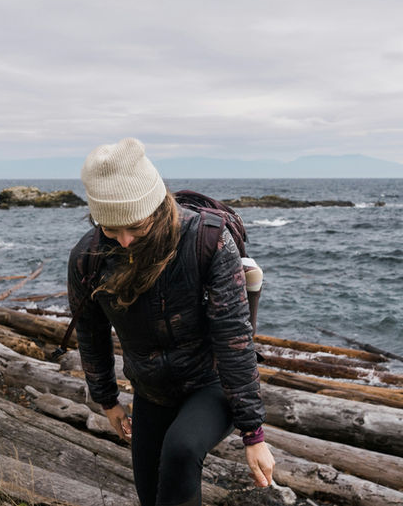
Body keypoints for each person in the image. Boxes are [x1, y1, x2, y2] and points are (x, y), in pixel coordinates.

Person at [67, 138, 275, 506]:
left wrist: (253, 433)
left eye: (135, 226)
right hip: (151, 391)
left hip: (212, 384)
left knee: (180, 451)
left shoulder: (208, 242)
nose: (125, 241)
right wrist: (107, 399)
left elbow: (234, 337)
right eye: (112, 229)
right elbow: (90, 332)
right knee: (153, 496)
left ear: (156, 207)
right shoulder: (89, 257)